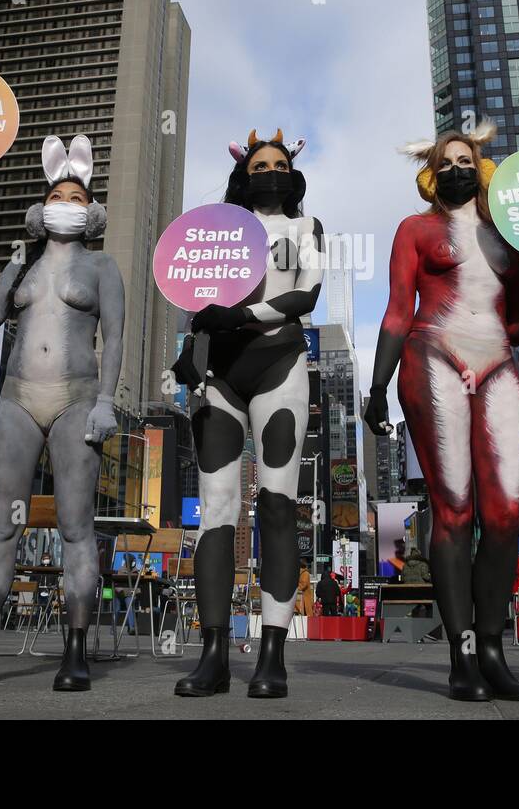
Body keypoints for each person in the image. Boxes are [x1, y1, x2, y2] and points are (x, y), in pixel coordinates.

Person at [363, 123, 519, 702]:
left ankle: (493, 648)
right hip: (432, 352)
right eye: (448, 160)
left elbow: (516, 325)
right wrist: (377, 387)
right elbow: (395, 311)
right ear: (432, 174)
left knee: (506, 513)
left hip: (498, 362)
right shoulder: (414, 229)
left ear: (482, 169)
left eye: (468, 159)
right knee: (454, 508)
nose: (458, 167)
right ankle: (462, 654)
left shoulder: (511, 241)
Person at [0, 134, 124, 692]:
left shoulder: (104, 266)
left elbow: (113, 339)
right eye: (58, 193)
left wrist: (107, 401)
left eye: (77, 195)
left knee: (76, 528)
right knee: (1, 527)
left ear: (91, 212)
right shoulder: (23, 259)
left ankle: (76, 650)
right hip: (15, 399)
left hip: (76, 400)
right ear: (41, 208)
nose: (67, 200)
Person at [172, 130, 324, 698]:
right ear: (243, 174)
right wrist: (193, 341)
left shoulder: (306, 229)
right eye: (259, 165)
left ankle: (272, 657)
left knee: (278, 506)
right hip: (222, 376)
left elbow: (306, 297)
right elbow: (197, 297)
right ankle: (212, 655)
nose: (269, 172)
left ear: (293, 172)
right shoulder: (217, 232)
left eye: (279, 164)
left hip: (279, 366)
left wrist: (239, 317)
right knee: (216, 512)